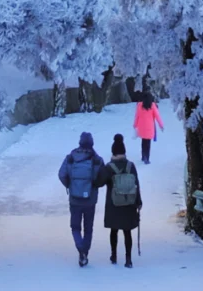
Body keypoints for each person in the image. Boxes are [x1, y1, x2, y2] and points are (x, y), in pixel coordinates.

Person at [58, 130, 105, 266]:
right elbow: (103, 177)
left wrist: (70, 185)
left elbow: (61, 174)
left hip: (74, 199)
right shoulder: (97, 159)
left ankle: (81, 249)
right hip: (90, 200)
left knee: (75, 227)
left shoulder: (71, 157)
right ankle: (85, 251)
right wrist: (95, 185)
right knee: (88, 228)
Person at [99, 133, 141, 268]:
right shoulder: (131, 166)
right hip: (129, 203)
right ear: (124, 151)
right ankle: (128, 259)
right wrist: (138, 202)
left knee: (114, 230)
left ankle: (114, 256)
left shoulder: (109, 167)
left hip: (114, 204)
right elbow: (136, 184)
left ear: (113, 152)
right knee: (127, 231)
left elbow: (99, 182)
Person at [132, 92, 164, 165]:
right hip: (149, 127)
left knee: (143, 142)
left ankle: (143, 156)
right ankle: (147, 158)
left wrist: (135, 125)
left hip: (141, 127)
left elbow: (137, 116)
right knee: (148, 143)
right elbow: (157, 116)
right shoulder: (153, 106)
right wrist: (161, 125)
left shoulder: (139, 105)